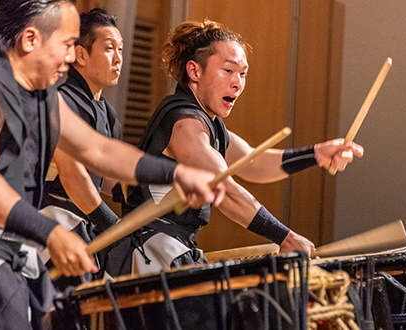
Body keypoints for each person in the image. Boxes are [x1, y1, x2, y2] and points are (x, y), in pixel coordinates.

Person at [0, 2, 223, 329]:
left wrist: (175, 173)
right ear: (30, 40)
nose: (72, 57)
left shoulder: (41, 95)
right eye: (67, 44)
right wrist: (53, 233)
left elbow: (97, 150)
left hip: (8, 246)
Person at [101, 20, 364, 277]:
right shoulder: (185, 125)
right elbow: (224, 189)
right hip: (149, 250)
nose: (237, 82)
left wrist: (316, 154)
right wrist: (285, 236)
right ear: (194, 72)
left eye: (243, 73)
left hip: (170, 246)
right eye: (228, 71)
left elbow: (253, 162)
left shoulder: (209, 124)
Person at [40, 8, 124, 287]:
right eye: (109, 48)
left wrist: (149, 198)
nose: (118, 58)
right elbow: (74, 178)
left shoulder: (107, 112)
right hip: (52, 220)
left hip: (83, 224)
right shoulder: (62, 101)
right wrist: (116, 226)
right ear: (80, 54)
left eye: (120, 49)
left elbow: (108, 179)